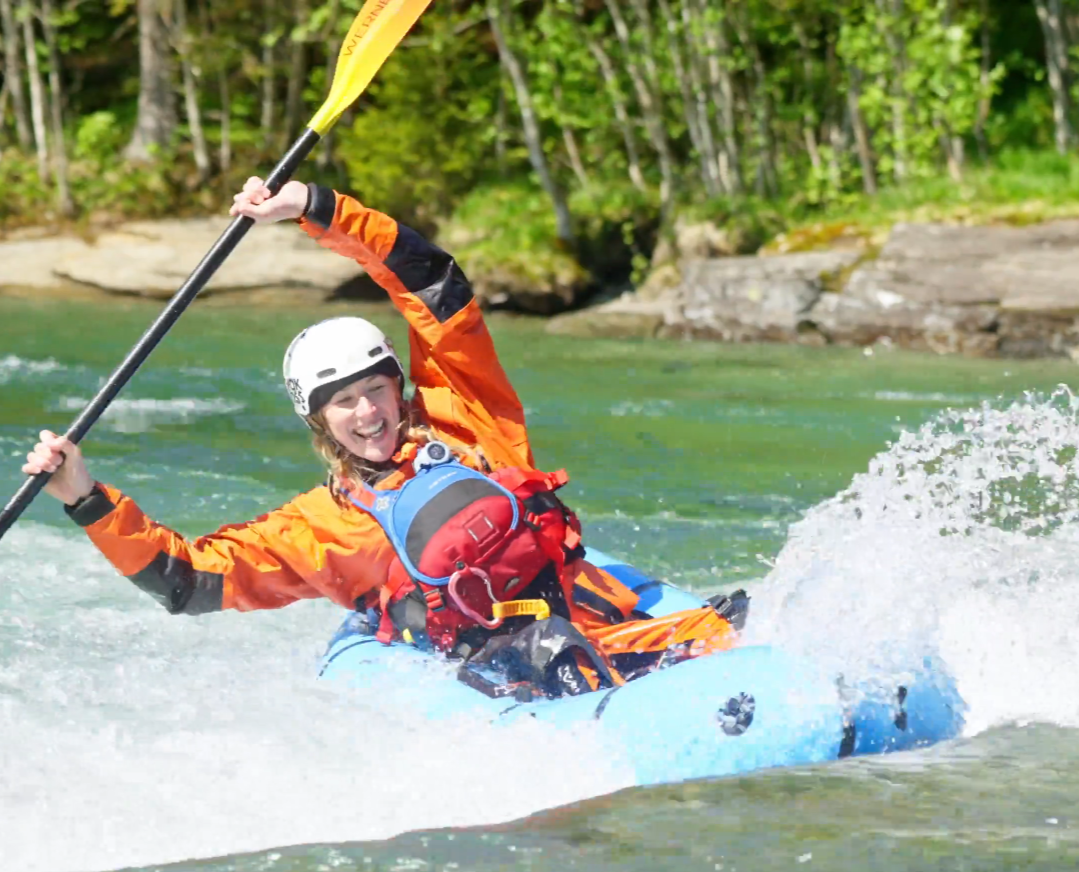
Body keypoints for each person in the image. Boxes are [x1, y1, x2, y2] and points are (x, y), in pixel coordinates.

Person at [23, 177, 745, 698]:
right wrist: (84, 496)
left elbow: (434, 286)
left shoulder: (465, 418)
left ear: (399, 385)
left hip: (582, 611)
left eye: (376, 389)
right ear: (318, 421)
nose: (368, 413)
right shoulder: (319, 528)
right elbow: (187, 582)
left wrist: (314, 206)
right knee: (548, 651)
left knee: (729, 623)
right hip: (495, 668)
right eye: (343, 403)